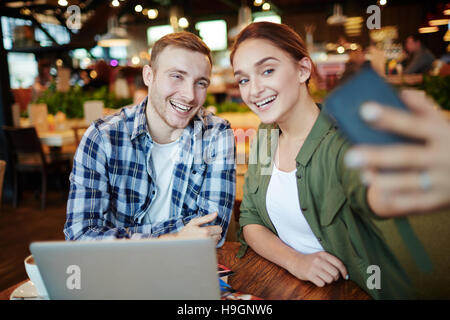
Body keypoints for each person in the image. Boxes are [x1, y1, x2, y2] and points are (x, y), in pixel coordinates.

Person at [230, 22, 420, 299]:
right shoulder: (264, 137)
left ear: (303, 69)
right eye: (244, 79)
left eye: (267, 71)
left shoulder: (346, 141)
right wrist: (296, 262)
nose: (254, 90)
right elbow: (250, 219)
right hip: (289, 284)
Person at [64, 32, 236, 247]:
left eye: (200, 83)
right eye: (177, 76)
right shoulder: (103, 137)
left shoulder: (217, 134)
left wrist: (119, 236)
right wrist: (170, 240)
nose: (190, 95)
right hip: (119, 271)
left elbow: (212, 231)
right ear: (149, 76)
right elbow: (79, 235)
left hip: (184, 268)